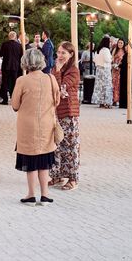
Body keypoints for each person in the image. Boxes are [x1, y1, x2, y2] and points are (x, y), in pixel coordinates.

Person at [11, 48, 60, 205]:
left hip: (27, 125)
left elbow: (15, 105)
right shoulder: (51, 79)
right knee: (44, 160)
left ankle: (31, 194)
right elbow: (57, 100)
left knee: (30, 161)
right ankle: (45, 194)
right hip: (46, 124)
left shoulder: (21, 81)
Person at [50, 42, 81, 191]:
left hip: (69, 112)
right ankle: (57, 175)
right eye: (59, 52)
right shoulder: (54, 68)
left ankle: (73, 178)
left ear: (71, 54)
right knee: (56, 144)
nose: (60, 55)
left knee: (70, 145)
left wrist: (57, 70)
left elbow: (60, 87)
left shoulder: (73, 71)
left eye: (63, 53)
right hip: (55, 111)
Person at [0, 31, 23, 104]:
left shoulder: (4, 44)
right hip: (15, 67)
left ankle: (5, 99)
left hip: (6, 66)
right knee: (14, 83)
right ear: (15, 37)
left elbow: (1, 54)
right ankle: (13, 99)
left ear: (9, 37)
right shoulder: (19, 46)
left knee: (5, 83)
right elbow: (21, 56)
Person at [92, 36, 113, 108]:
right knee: (106, 86)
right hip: (105, 69)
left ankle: (100, 101)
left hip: (98, 69)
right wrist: (111, 59)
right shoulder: (106, 50)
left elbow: (94, 59)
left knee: (99, 86)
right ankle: (106, 102)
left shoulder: (98, 50)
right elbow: (107, 59)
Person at [111, 39, 126, 107]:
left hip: (120, 69)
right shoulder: (115, 50)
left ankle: (118, 99)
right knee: (114, 84)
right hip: (115, 69)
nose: (120, 44)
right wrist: (113, 64)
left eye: (121, 43)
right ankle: (114, 99)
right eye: (119, 43)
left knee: (119, 85)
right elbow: (112, 58)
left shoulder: (124, 51)